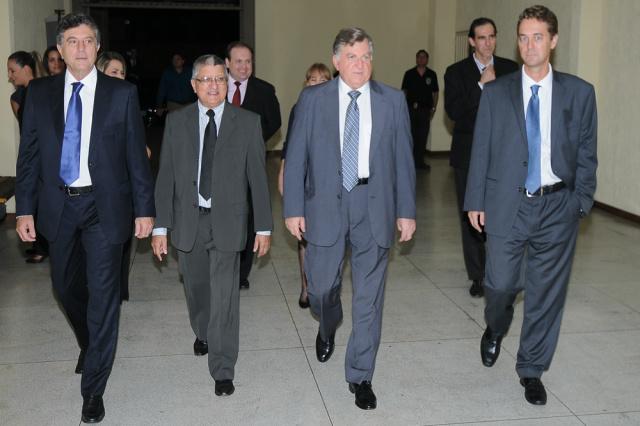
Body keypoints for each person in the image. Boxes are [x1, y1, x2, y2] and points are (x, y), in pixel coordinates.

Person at [15, 13, 155, 423]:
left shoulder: (121, 93)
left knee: (105, 297)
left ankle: (93, 389)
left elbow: (135, 157)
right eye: (71, 41)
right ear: (60, 50)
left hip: (104, 207)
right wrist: (24, 207)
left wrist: (145, 210)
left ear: (96, 47)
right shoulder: (38, 93)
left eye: (87, 41)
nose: (80, 48)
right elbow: (29, 156)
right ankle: (92, 343)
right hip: (57, 205)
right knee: (65, 286)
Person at [464, 5, 598, 406]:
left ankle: (531, 369)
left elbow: (587, 152)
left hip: (557, 205)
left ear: (553, 40)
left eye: (538, 36)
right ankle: (495, 326)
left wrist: (580, 201)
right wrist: (475, 199)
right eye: (523, 37)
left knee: (546, 294)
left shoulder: (579, 92)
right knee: (500, 284)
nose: (529, 45)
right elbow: (481, 149)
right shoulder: (497, 91)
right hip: (508, 202)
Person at [283, 28, 416, 410]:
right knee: (322, 290)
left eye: (366, 57)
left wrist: (406, 211)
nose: (360, 65)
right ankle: (328, 325)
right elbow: (296, 158)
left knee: (369, 300)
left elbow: (404, 161)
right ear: (337, 61)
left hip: (373, 205)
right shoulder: (312, 99)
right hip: (324, 204)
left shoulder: (392, 100)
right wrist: (293, 208)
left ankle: (360, 376)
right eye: (352, 57)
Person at [152, 54, 273, 397]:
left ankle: (222, 367)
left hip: (229, 221)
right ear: (194, 85)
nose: (214, 86)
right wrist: (161, 227)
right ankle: (203, 330)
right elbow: (167, 177)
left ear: (227, 81)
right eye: (206, 79)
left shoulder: (247, 122)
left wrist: (263, 227)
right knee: (198, 291)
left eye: (220, 78)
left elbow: (257, 180)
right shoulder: (177, 121)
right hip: (188, 220)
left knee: (224, 297)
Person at [444, 18, 519, 298]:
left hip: (504, 156)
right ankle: (478, 275)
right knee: (471, 216)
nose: (488, 42)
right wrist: (480, 85)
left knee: (501, 213)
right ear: (472, 41)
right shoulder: (456, 72)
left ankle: (499, 270)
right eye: (482, 38)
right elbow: (453, 110)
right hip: (469, 155)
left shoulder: (511, 69)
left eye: (492, 37)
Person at [225, 41, 281, 290]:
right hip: (218, 165)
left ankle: (241, 273)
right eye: (238, 61)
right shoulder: (214, 85)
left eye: (248, 61)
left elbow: (274, 121)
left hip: (249, 165)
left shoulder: (265, 90)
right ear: (227, 63)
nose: (243, 66)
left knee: (247, 217)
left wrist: (254, 143)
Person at [96, 51, 151, 304]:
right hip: (94, 189)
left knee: (121, 241)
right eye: (113, 72)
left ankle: (119, 290)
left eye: (122, 73)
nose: (119, 77)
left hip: (122, 188)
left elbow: (139, 146)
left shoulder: (127, 98)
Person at [278, 62, 332, 309]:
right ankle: (306, 285)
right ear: (306, 84)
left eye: (323, 80)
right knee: (305, 236)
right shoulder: (299, 108)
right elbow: (290, 146)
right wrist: (283, 174)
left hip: (332, 183)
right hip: (306, 180)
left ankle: (328, 285)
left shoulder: (341, 108)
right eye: (313, 80)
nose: (318, 84)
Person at [7, 50, 49, 264]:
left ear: (26, 69)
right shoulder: (18, 96)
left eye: (13, 71)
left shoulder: (42, 91)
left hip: (44, 156)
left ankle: (42, 247)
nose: (10, 76)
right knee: (35, 201)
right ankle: (39, 244)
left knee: (42, 202)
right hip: (32, 154)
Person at [401, 49, 439, 170]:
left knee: (422, 137)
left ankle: (420, 162)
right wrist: (403, 109)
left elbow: (436, 92)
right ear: (416, 59)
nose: (421, 59)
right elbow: (403, 92)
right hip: (411, 110)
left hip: (424, 110)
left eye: (424, 57)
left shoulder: (431, 75)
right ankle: (409, 162)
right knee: (410, 136)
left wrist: (433, 108)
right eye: (419, 57)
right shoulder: (409, 74)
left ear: (427, 60)